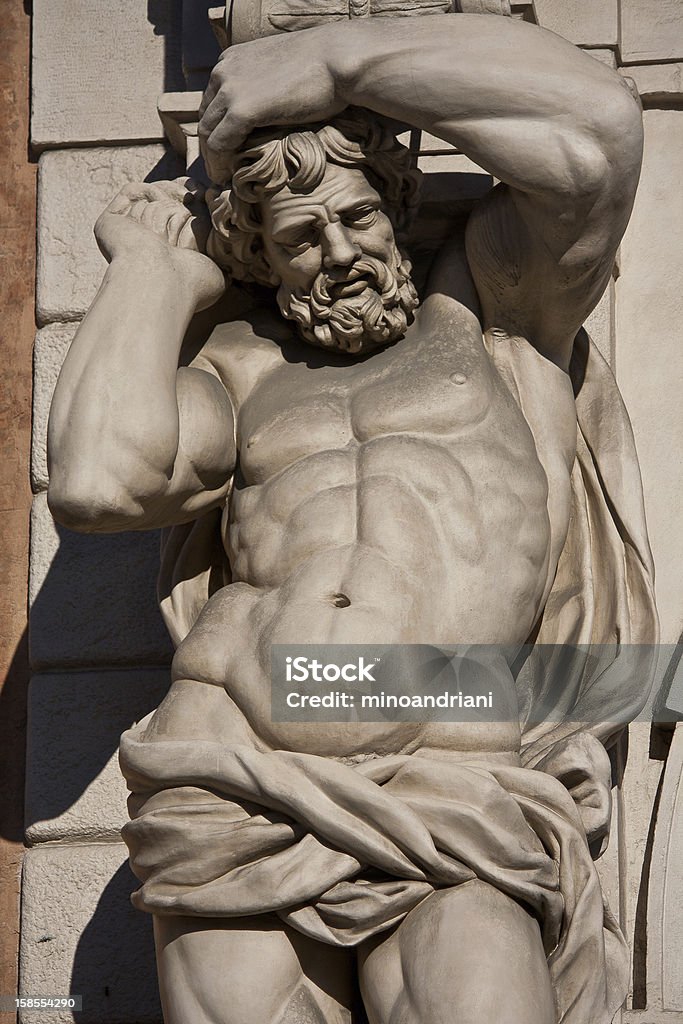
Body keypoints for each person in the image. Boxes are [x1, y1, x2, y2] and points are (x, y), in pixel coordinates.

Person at [47, 14, 658, 1024]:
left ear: (393, 201)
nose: (337, 252)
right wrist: (153, 277)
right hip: (234, 769)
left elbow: (597, 137)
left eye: (356, 216)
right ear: (264, 256)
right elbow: (100, 481)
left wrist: (332, 62)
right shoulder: (239, 372)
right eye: (298, 237)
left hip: (451, 773)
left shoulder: (494, 313)